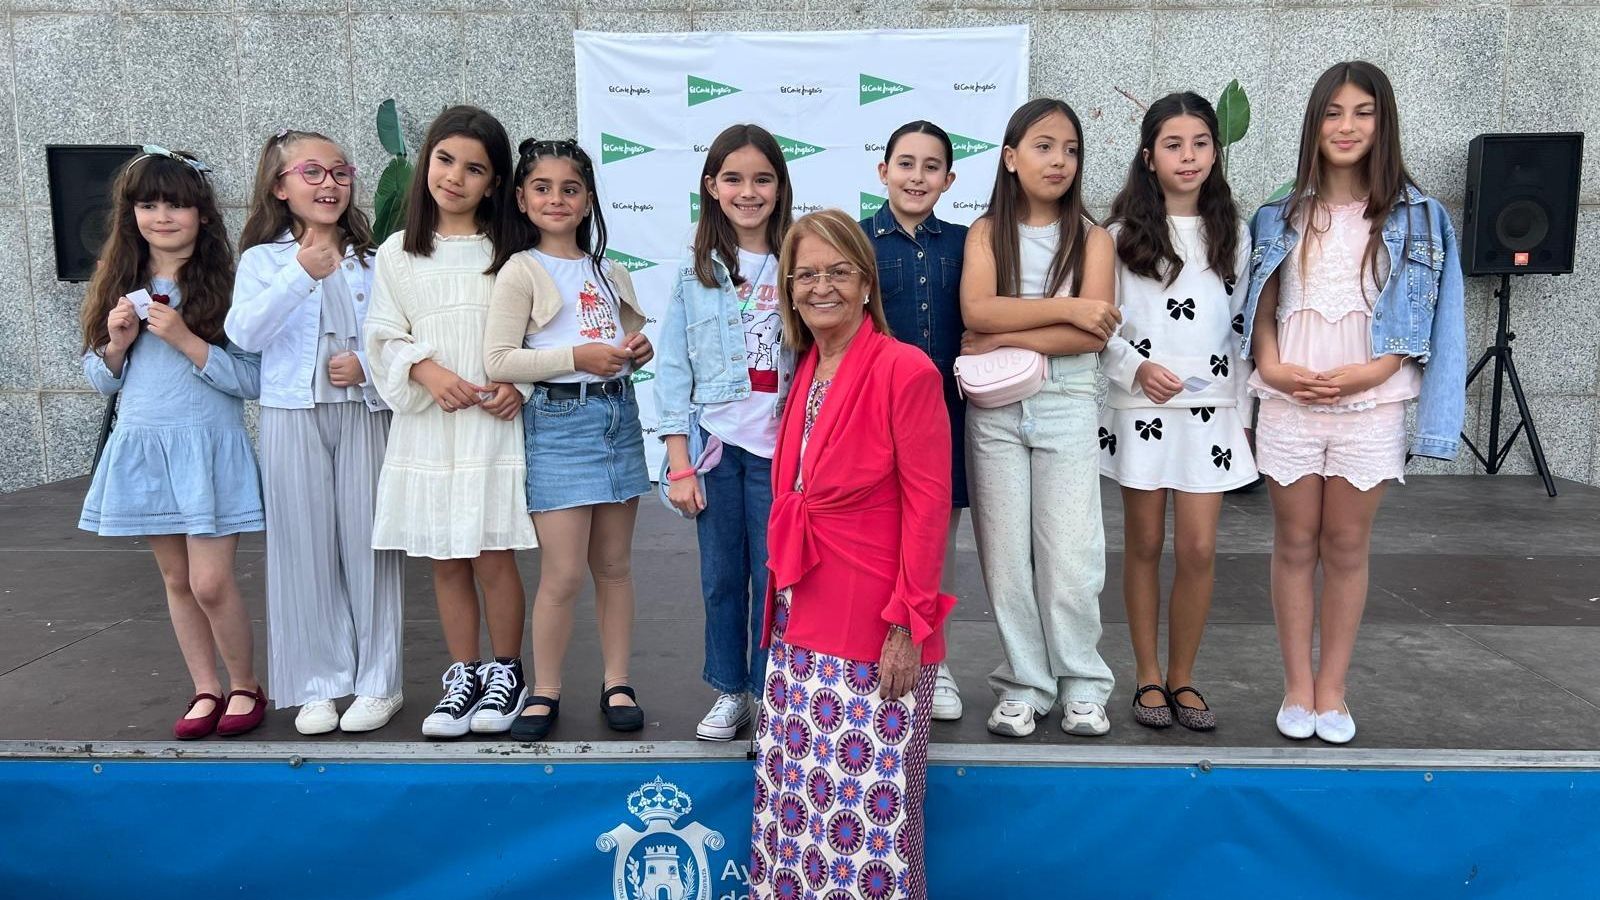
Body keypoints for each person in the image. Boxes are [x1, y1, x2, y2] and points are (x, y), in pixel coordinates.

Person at [1241, 61, 1466, 744]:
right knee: (1294, 542)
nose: (1347, 126)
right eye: (1333, 112)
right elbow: (1262, 313)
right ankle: (1296, 689)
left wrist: (1369, 375)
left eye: (1362, 112)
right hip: (1289, 403)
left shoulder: (1421, 217)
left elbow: (1434, 322)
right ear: (1314, 123)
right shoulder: (1278, 216)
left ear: (1383, 121)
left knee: (1345, 544)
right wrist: (1276, 373)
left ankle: (1332, 692)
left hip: (1372, 403)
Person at [752, 208, 954, 900]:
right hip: (798, 627)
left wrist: (907, 625)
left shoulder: (907, 369)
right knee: (800, 811)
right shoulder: (808, 366)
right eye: (805, 274)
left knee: (870, 828)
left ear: (867, 284)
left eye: (838, 271)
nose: (821, 287)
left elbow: (929, 510)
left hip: (875, 633)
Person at [77, 147, 267, 740]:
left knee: (211, 581)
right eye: (149, 204)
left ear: (203, 215)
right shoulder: (118, 283)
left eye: (177, 205)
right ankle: (205, 687)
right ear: (130, 213)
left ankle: (245, 684)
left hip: (208, 447)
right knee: (178, 581)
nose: (163, 216)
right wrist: (116, 345)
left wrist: (185, 339)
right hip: (146, 445)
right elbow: (99, 375)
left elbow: (253, 379)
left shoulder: (229, 288)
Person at [363, 105, 538, 739]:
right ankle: (462, 673)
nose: (455, 178)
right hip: (431, 423)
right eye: (444, 160)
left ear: (494, 183)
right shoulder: (397, 254)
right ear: (427, 162)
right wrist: (425, 371)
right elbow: (381, 335)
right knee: (443, 555)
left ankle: (507, 671)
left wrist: (518, 384)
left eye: (474, 168)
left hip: (492, 423)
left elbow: (540, 327)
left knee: (492, 551)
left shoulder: (512, 251)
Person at [229, 129, 405, 736]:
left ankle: (379, 680)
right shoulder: (263, 261)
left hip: (363, 410)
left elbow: (397, 339)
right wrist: (301, 273)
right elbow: (245, 334)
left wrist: (367, 369)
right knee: (301, 545)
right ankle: (317, 683)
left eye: (339, 171)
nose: (329, 184)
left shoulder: (377, 259)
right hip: (290, 412)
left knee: (369, 543)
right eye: (312, 172)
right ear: (280, 187)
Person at [959, 99, 1121, 738]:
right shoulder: (984, 233)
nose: (1059, 160)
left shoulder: (1094, 238)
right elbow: (977, 310)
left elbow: (1094, 335)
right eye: (1044, 146)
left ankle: (1083, 681)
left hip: (1067, 402)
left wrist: (1008, 332)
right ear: (1010, 157)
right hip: (995, 410)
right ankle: (1025, 682)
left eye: (1071, 149)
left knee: (1071, 554)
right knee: (1005, 556)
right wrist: (1067, 311)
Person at [484, 138, 654, 739]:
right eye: (542, 187)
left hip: (617, 419)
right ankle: (546, 689)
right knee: (562, 573)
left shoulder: (611, 270)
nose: (557, 198)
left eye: (570, 188)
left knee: (614, 565)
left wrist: (636, 351)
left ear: (587, 202)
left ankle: (617, 680)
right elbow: (499, 357)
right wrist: (574, 356)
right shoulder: (521, 269)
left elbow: (625, 346)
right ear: (523, 201)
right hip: (558, 425)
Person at [1100, 93, 1258, 731]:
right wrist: (1134, 367)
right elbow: (1100, 322)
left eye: (1199, 143)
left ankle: (1183, 676)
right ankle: (1146, 677)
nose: (1187, 156)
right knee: (1144, 541)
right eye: (1173, 144)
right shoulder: (1117, 238)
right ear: (1148, 156)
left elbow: (1242, 324)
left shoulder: (1234, 233)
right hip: (1141, 405)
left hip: (1211, 411)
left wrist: (1244, 409)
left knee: (1196, 547)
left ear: (1215, 153)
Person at [656, 124, 796, 742]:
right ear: (711, 187)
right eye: (734, 179)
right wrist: (679, 462)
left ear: (780, 187)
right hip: (716, 449)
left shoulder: (798, 259)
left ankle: (774, 691)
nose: (748, 191)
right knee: (720, 577)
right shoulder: (696, 274)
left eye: (762, 179)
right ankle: (730, 690)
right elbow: (671, 368)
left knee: (776, 578)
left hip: (781, 450)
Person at [860, 119, 970, 721]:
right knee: (875, 534)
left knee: (936, 539)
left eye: (931, 167)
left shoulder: (964, 242)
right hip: (873, 415)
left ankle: (934, 656)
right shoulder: (857, 241)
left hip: (945, 418)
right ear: (883, 171)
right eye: (906, 163)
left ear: (949, 179)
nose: (917, 176)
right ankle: (869, 643)